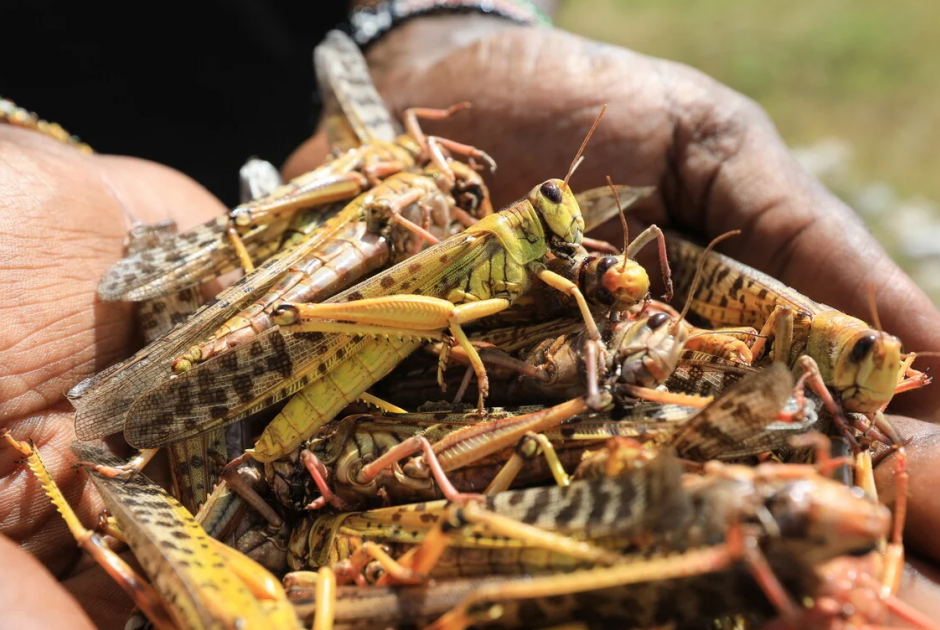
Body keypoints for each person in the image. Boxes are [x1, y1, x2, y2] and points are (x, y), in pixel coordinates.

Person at [2, 4, 940, 628]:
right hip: (294, 308)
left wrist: (435, 15)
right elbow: (452, 312)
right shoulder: (465, 232)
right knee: (348, 324)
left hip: (349, 379)